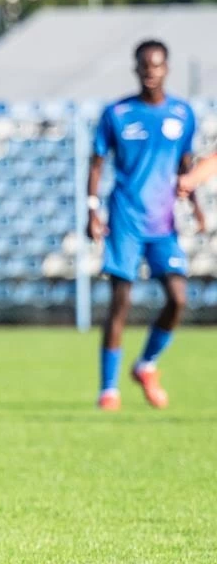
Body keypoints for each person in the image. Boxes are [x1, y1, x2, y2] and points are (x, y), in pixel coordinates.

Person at [88, 40, 205, 411]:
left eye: (156, 65)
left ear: (166, 68)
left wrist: (196, 206)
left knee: (178, 298)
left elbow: (185, 165)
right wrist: (92, 209)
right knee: (121, 301)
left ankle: (146, 364)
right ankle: (109, 389)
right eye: (144, 65)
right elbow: (96, 163)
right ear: (136, 68)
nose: (150, 71)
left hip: (163, 222)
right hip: (125, 218)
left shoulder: (182, 114)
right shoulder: (118, 113)